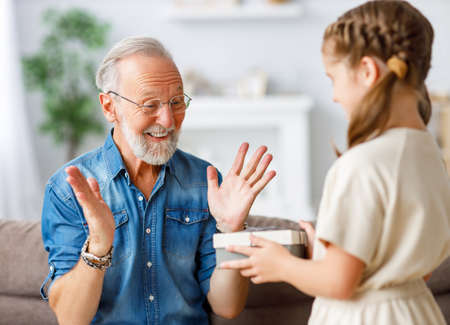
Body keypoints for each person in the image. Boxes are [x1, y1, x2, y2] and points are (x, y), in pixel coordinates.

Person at [221, 1, 450, 324]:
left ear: (367, 71)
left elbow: (339, 283)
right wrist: (328, 255)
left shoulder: (361, 164)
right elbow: (412, 268)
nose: (334, 95)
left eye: (333, 78)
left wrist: (281, 265)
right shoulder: (429, 153)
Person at [40, 36, 276, 325]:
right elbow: (70, 318)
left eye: (176, 101)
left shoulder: (206, 183)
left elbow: (227, 307)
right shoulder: (68, 190)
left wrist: (231, 230)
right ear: (109, 107)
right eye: (150, 104)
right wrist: (99, 244)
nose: (168, 120)